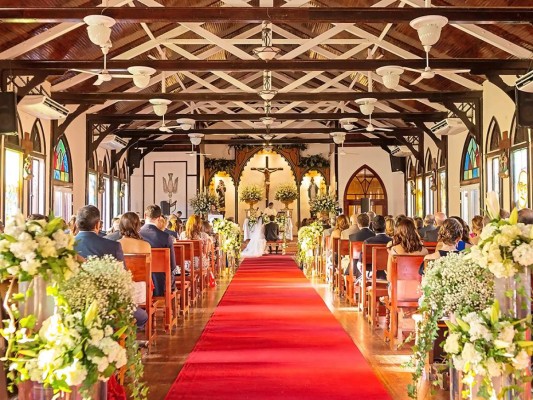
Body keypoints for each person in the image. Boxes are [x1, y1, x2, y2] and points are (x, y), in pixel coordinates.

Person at [140, 205, 176, 297]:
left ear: (145, 216)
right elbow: (172, 265)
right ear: (159, 218)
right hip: (160, 283)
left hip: (140, 280)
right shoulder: (165, 237)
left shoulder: (136, 235)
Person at [363, 215, 392, 279]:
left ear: (373, 228)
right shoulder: (392, 242)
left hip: (372, 275)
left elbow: (361, 263)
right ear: (385, 227)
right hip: (389, 273)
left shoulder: (368, 242)